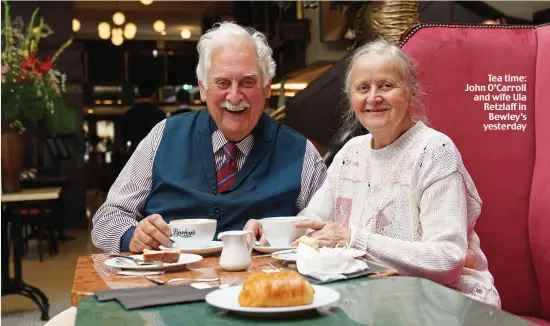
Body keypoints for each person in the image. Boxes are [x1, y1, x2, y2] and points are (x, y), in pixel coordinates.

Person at [245, 39, 500, 306]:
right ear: (351, 98)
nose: (373, 97)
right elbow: (313, 223)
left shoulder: (434, 150)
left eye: (387, 86)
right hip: (376, 299)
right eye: (363, 88)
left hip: (448, 304)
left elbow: (447, 259)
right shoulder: (350, 153)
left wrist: (355, 240)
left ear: (411, 92)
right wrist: (269, 230)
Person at [91, 22, 327, 254]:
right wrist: (134, 237)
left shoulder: (302, 154)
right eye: (222, 83)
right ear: (203, 89)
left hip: (260, 288)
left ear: (267, 87)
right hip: (169, 287)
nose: (234, 97)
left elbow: (328, 229)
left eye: (247, 82)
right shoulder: (162, 137)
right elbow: (107, 218)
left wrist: (289, 234)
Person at [122, 83, 166, 153]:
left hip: (136, 151)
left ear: (139, 94)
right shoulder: (159, 114)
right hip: (154, 153)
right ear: (154, 95)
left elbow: (125, 135)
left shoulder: (131, 113)